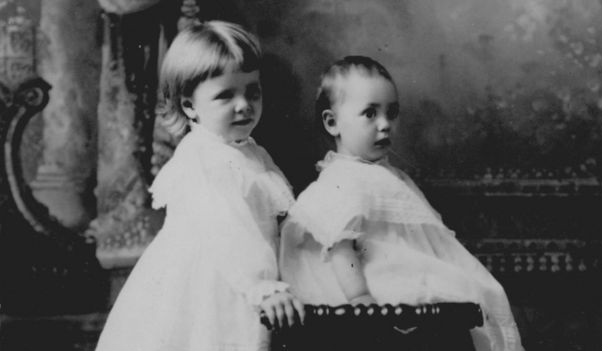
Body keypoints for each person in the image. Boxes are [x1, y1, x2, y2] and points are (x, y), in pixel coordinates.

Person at [279, 56, 523, 351]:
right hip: (364, 286)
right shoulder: (342, 180)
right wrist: (360, 298)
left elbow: (420, 242)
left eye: (391, 112)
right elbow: (341, 248)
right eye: (370, 114)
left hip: (401, 273)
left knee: (478, 290)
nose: (385, 125)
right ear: (333, 123)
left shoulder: (390, 177)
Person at [96, 21, 304, 351]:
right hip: (216, 280)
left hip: (244, 273)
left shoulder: (248, 152)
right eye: (225, 95)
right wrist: (261, 286)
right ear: (189, 105)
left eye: (252, 91)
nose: (244, 105)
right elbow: (228, 228)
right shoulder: (202, 159)